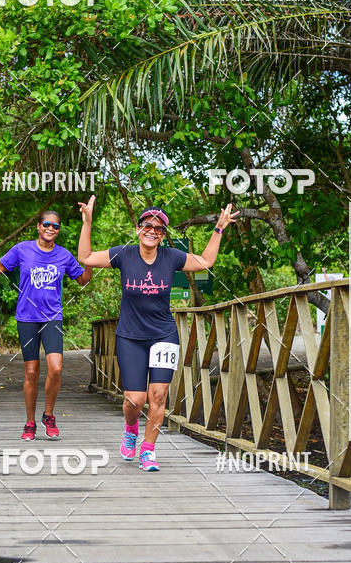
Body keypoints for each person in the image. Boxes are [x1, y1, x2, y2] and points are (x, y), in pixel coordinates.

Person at [77, 195, 238, 471]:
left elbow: (205, 261)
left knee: (159, 395)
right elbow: (86, 257)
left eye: (158, 228)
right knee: (135, 399)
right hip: (130, 336)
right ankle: (130, 429)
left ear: (163, 235)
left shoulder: (171, 257)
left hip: (163, 334)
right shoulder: (123, 254)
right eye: (147, 226)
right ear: (138, 229)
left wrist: (219, 228)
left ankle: (148, 450)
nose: (152, 231)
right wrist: (88, 222)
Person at [0, 209, 92, 440]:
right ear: (38, 226)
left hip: (52, 317)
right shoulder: (22, 249)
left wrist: (91, 262)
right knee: (31, 372)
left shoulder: (64, 255)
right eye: (46, 224)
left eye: (55, 226)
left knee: (56, 368)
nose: (50, 229)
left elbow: (82, 280)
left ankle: (49, 415)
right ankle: (30, 422)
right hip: (27, 318)